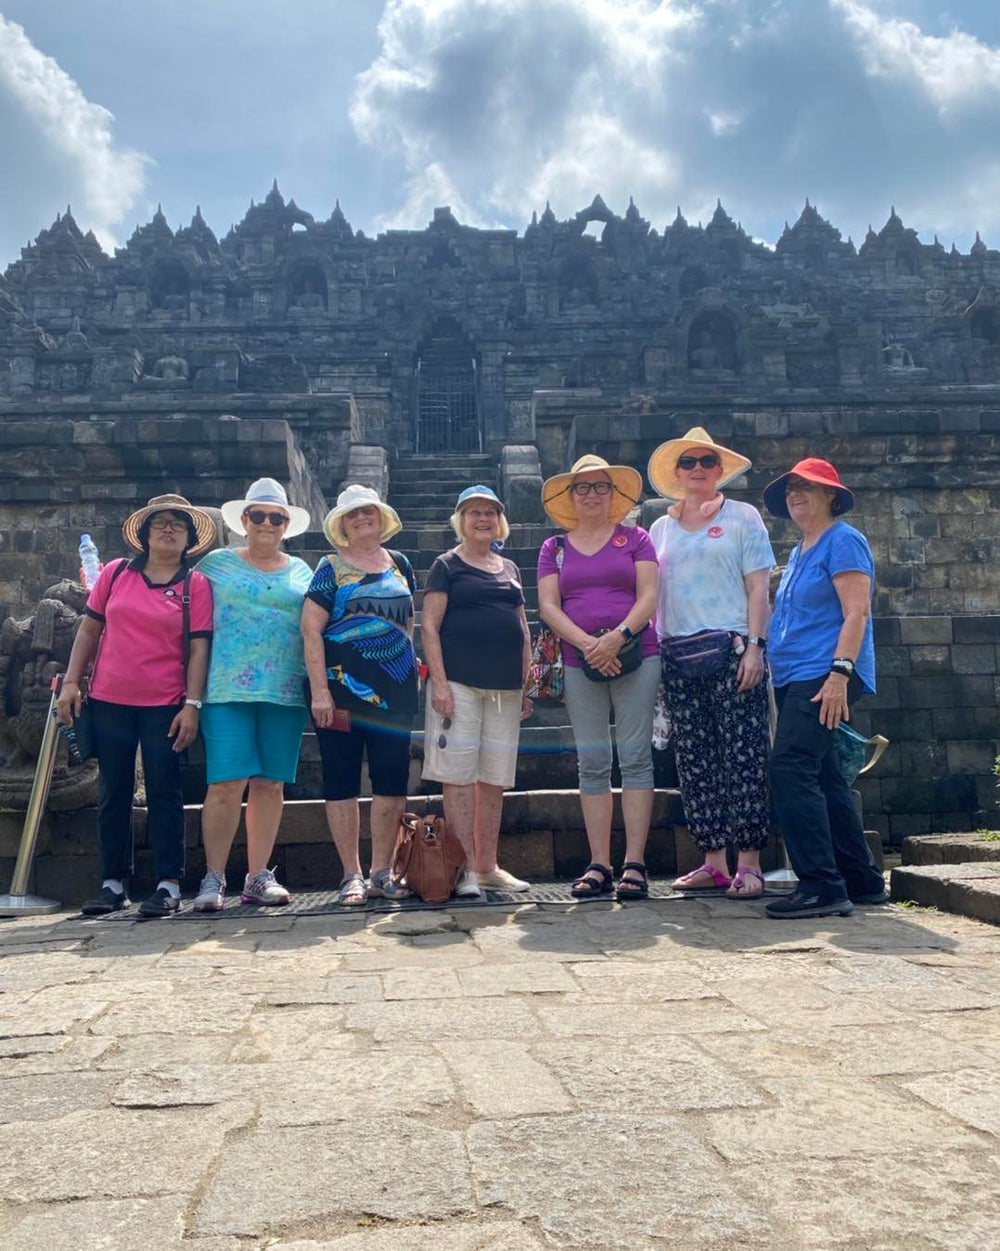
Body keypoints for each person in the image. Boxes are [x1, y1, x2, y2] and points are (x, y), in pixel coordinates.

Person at [56, 494, 216, 917]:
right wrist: (71, 682)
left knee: (164, 788)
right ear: (145, 533)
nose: (168, 529)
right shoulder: (115, 573)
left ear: (189, 538)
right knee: (114, 790)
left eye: (178, 524)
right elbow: (89, 631)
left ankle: (168, 883)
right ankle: (112, 882)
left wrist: (192, 704)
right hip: (110, 699)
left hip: (165, 702)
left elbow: (199, 649)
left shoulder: (195, 585)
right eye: (160, 522)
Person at [647, 427, 774, 899]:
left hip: (734, 651)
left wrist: (756, 646)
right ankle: (714, 861)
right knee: (694, 760)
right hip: (678, 654)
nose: (697, 469)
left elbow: (759, 588)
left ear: (720, 470)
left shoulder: (743, 517)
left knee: (744, 756)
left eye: (706, 461)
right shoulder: (659, 528)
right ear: (677, 473)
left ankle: (750, 863)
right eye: (688, 462)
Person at [762, 458, 887, 919]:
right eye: (790, 488)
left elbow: (857, 612)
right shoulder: (799, 551)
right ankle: (861, 879)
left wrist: (840, 674)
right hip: (795, 675)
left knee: (790, 766)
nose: (795, 494)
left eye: (806, 487)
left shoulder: (843, 539)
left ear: (831, 496)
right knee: (825, 774)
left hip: (824, 673)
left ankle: (820, 884)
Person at [537, 454, 659, 901]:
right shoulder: (554, 548)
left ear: (614, 494)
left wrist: (617, 637)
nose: (592, 495)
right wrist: (590, 644)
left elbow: (649, 595)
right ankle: (599, 863)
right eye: (583, 488)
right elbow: (549, 606)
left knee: (636, 757)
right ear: (571, 496)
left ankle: (635, 862)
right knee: (591, 762)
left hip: (637, 654)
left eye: (600, 487)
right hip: (578, 659)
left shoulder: (637, 538)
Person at [192, 478, 313, 910]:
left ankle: (257, 876)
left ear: (286, 525)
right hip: (226, 688)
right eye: (258, 515)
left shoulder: (302, 572)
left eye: (275, 517)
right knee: (225, 783)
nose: (266, 523)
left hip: (285, 689)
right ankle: (214, 876)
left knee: (270, 784)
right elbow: (186, 617)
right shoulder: (215, 565)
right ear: (244, 521)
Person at [301, 485, 418, 906]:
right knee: (341, 779)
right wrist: (319, 691)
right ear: (343, 524)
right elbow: (310, 630)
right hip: (339, 691)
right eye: (353, 514)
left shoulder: (400, 562)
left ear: (381, 517)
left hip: (396, 692)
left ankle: (381, 871)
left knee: (392, 781)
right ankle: (351, 873)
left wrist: (411, 665)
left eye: (368, 511)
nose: (362, 518)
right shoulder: (330, 567)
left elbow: (407, 622)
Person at [421, 486, 534, 900]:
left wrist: (526, 682)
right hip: (459, 684)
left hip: (505, 688)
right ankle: (464, 867)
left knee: (494, 779)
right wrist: (440, 683)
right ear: (461, 520)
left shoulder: (510, 567)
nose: (483, 519)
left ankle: (487, 867)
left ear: (499, 521)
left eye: (490, 512)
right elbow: (429, 626)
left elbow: (522, 627)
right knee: (458, 777)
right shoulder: (446, 565)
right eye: (474, 512)